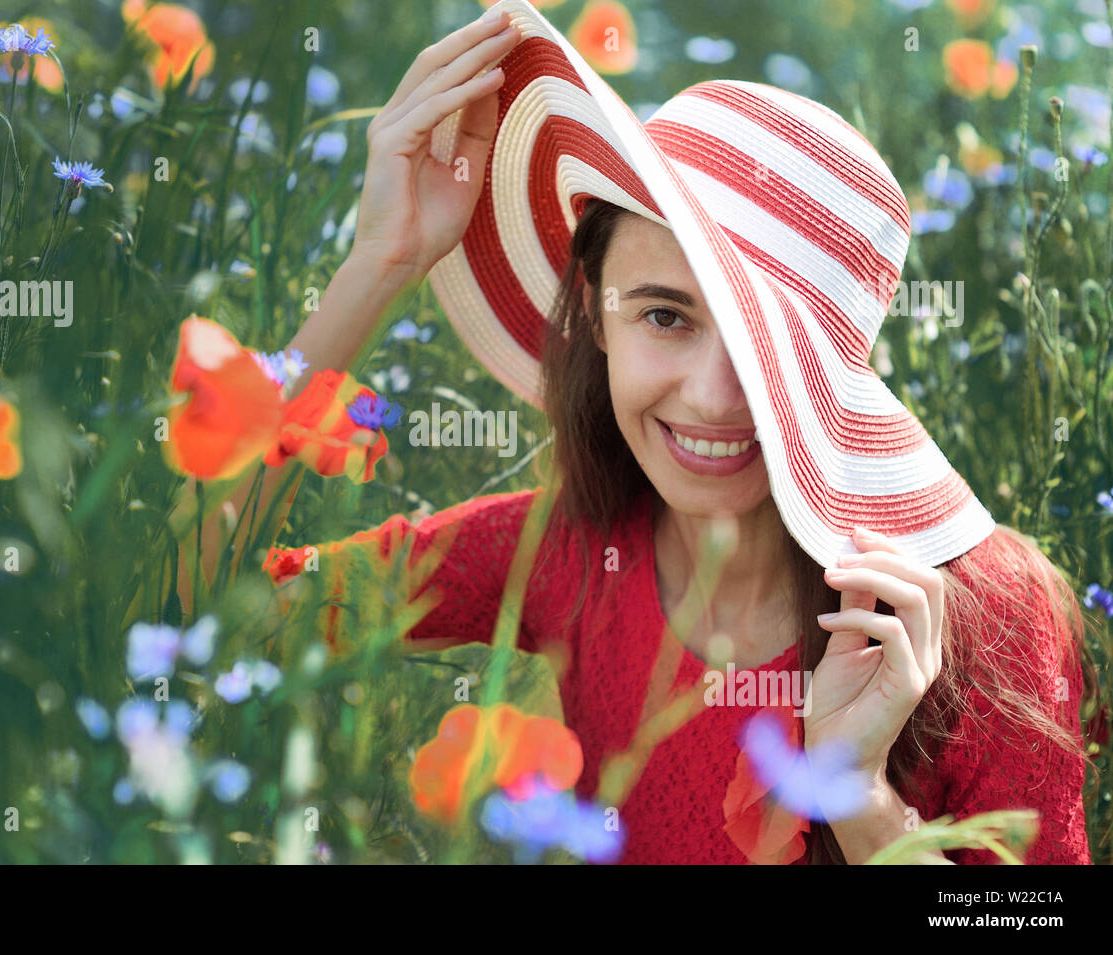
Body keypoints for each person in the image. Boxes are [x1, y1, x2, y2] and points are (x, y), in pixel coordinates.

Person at [197, 1, 1098, 864]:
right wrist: (376, 265)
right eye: (666, 317)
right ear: (594, 313)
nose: (712, 397)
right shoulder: (570, 552)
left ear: (838, 371)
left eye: (763, 345)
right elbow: (205, 602)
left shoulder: (977, 616)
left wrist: (860, 799)